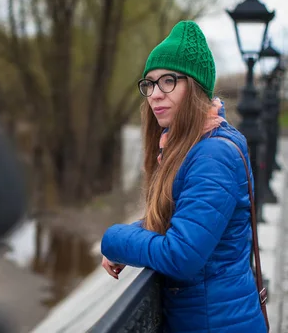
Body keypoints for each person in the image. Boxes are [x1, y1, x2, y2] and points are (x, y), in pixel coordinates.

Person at [100, 20, 268, 333]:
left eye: (168, 81)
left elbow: (182, 255)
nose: (154, 95)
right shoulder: (193, 147)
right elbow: (182, 220)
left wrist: (113, 238)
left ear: (195, 87)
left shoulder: (212, 156)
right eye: (149, 84)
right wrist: (133, 236)